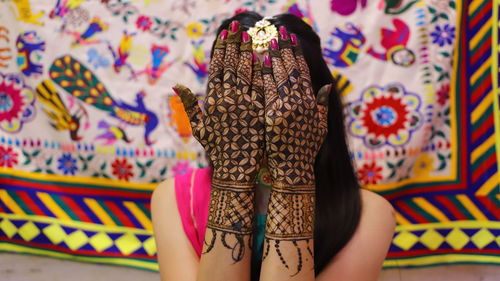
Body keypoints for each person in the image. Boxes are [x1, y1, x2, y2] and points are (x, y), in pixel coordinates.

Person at [151, 12, 395, 281]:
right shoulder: (175, 197)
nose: (267, 111)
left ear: (319, 105)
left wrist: (293, 173)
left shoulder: (368, 214)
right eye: (245, 90)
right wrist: (234, 173)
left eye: (282, 91)